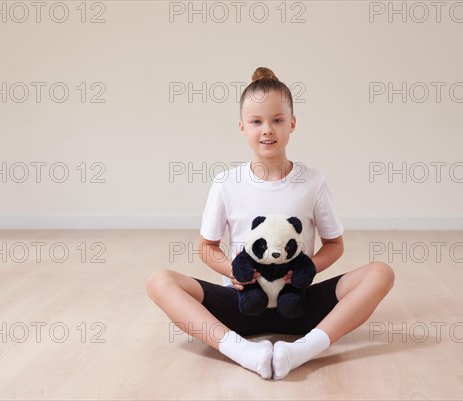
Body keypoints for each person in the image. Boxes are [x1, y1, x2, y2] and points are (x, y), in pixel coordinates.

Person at [146, 67, 395, 380]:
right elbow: (207, 248)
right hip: (242, 304)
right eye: (256, 122)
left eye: (277, 120)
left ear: (292, 124)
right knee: (159, 281)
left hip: (298, 304)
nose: (267, 130)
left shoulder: (313, 182)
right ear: (242, 127)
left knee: (381, 273)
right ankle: (241, 351)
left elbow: (335, 245)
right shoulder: (226, 183)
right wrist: (235, 274)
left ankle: (303, 349)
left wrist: (306, 272)